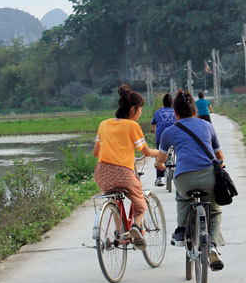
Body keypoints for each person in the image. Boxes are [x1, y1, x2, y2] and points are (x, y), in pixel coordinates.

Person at [155, 90, 225, 271]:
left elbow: (160, 160)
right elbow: (219, 155)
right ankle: (212, 246)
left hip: (184, 179)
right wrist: (221, 166)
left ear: (175, 114)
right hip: (209, 177)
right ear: (195, 111)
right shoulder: (207, 126)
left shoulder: (170, 131)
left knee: (182, 197)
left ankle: (181, 229)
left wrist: (161, 166)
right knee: (215, 211)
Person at [93, 85, 160, 250]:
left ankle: (118, 231)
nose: (141, 113)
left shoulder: (104, 125)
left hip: (102, 173)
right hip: (123, 173)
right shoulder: (132, 126)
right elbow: (144, 151)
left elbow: (96, 153)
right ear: (133, 109)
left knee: (114, 197)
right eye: (140, 109)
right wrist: (158, 152)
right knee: (139, 200)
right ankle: (136, 227)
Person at [150, 93, 176, 187]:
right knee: (180, 151)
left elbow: (153, 123)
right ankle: (180, 171)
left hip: (161, 136)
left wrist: (153, 129)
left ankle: (158, 178)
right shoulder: (176, 111)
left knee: (159, 154)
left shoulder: (158, 112)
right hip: (175, 135)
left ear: (163, 103)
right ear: (172, 103)